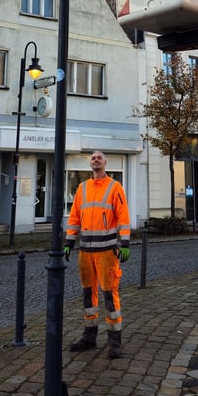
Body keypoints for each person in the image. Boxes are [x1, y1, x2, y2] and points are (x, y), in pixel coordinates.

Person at [63, 149, 131, 358]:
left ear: (105, 163)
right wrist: (69, 241)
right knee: (88, 295)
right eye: (93, 158)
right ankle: (89, 336)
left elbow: (123, 216)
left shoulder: (114, 187)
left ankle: (114, 342)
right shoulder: (82, 188)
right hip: (85, 251)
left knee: (110, 295)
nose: (96, 160)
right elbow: (74, 217)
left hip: (106, 251)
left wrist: (125, 243)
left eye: (99, 158)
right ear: (90, 163)